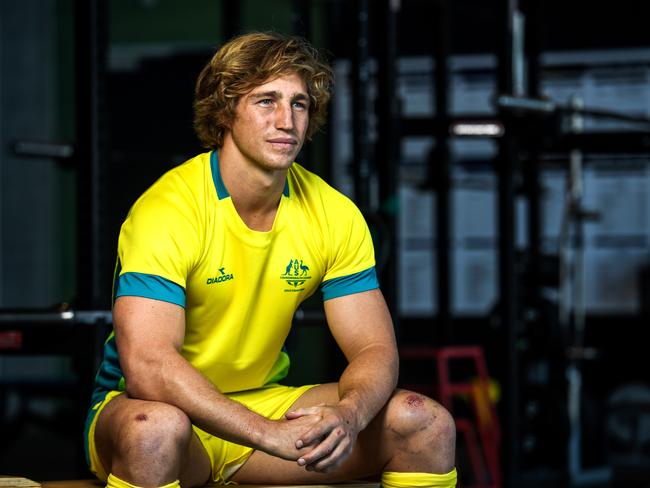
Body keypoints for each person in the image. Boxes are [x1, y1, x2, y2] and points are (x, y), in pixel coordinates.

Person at [84, 31, 457, 488]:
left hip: (261, 404)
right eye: (266, 101)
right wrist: (266, 433)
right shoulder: (168, 210)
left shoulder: (333, 213)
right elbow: (148, 366)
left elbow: (373, 348)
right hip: (155, 413)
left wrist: (350, 414)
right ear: (226, 111)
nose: (287, 121)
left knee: (423, 421)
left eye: (299, 104)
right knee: (154, 432)